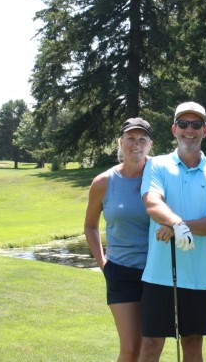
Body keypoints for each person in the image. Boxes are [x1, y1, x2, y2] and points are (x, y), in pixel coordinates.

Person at [138, 102, 206, 362]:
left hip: (200, 276)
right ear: (174, 129)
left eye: (196, 125)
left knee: (192, 344)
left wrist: (177, 227)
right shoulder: (157, 165)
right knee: (151, 345)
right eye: (183, 124)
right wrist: (177, 224)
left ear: (205, 130)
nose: (189, 130)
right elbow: (152, 203)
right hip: (159, 275)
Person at [84, 117, 154, 362]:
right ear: (120, 142)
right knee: (131, 348)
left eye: (142, 139)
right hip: (121, 271)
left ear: (150, 144)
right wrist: (102, 262)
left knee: (150, 348)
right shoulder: (104, 182)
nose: (136, 144)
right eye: (130, 138)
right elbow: (90, 226)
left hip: (157, 273)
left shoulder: (161, 176)